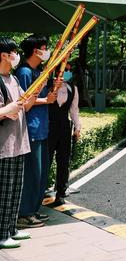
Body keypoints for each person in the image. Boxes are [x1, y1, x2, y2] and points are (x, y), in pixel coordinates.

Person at [16, 35, 57, 228]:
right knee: (33, 172)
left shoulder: (40, 71)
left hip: (42, 128)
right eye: (44, 47)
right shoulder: (24, 72)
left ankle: (34, 209)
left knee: (41, 172)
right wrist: (45, 100)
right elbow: (24, 102)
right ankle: (25, 213)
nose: (46, 51)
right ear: (35, 50)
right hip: (31, 129)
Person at [0, 38, 37, 248]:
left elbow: (25, 105)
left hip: (19, 144)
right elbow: (6, 110)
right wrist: (9, 110)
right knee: (4, 192)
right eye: (13, 52)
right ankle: (2, 233)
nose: (16, 56)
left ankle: (11, 228)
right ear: (4, 55)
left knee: (15, 190)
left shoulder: (13, 79)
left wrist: (36, 91)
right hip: (4, 146)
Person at [48, 63, 81, 206]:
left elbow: (74, 110)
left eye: (69, 69)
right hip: (48, 127)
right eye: (64, 69)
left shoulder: (73, 89)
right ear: (56, 70)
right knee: (46, 161)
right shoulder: (47, 85)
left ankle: (61, 192)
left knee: (63, 161)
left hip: (64, 128)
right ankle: (40, 190)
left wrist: (78, 127)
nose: (67, 72)